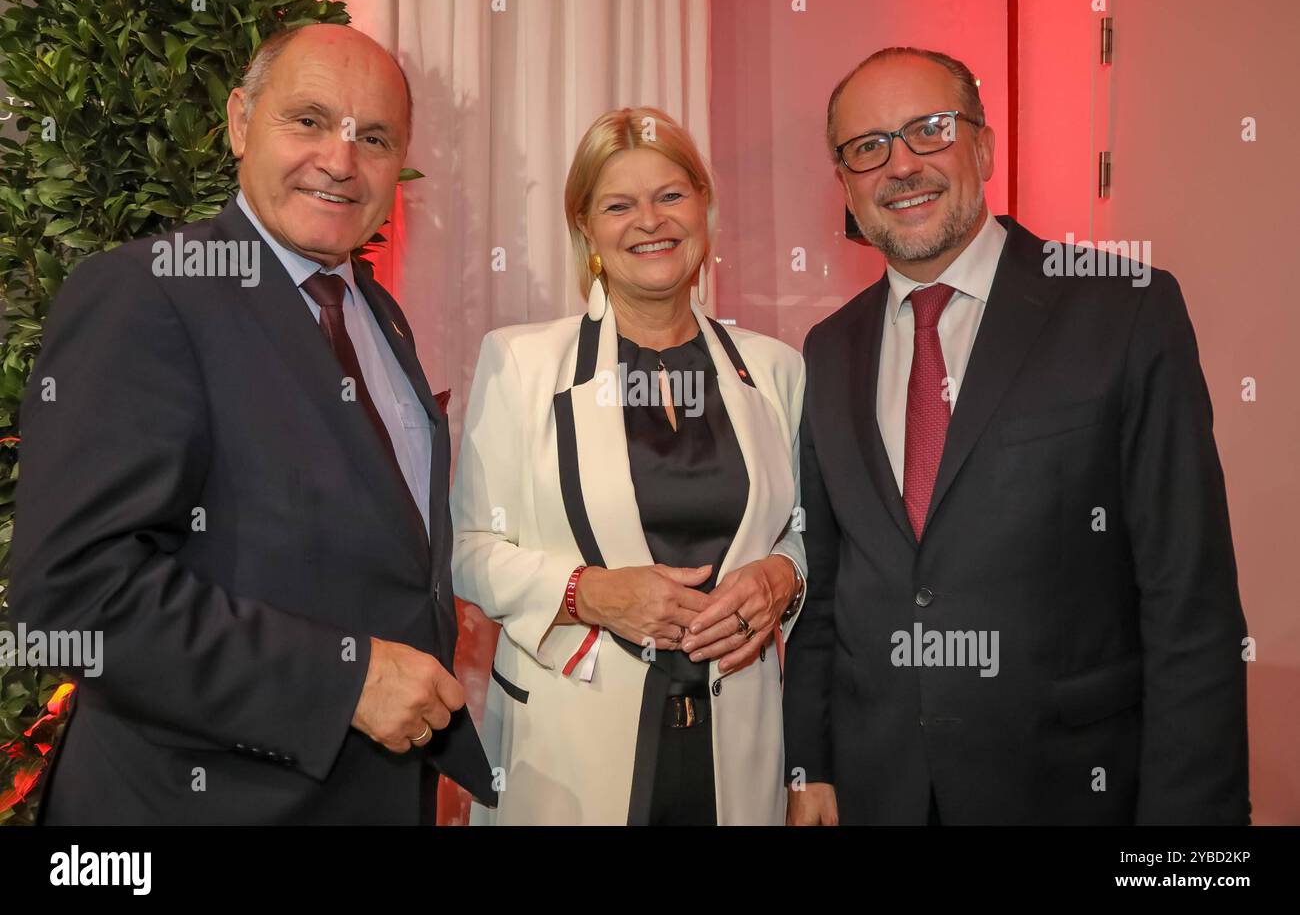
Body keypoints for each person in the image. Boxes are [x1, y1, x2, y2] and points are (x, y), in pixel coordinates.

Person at [9, 24, 493, 823]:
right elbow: (73, 596)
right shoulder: (145, 294)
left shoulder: (381, 317)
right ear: (239, 122)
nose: (340, 160)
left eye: (373, 137)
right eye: (307, 120)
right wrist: (347, 681)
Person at [785, 47, 1249, 825]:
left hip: (1070, 789)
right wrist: (811, 766)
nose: (900, 166)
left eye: (929, 131)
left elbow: (1190, 604)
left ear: (984, 146)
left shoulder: (1123, 310)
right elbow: (827, 594)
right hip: (876, 791)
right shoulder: (828, 349)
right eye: (868, 147)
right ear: (845, 182)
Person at [451, 106, 807, 824]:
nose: (650, 220)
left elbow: (802, 531)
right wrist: (589, 592)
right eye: (619, 204)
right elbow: (467, 553)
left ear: (703, 206)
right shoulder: (520, 363)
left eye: (671, 195)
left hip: (738, 748)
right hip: (569, 755)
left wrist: (784, 575)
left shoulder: (776, 370)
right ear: (585, 227)